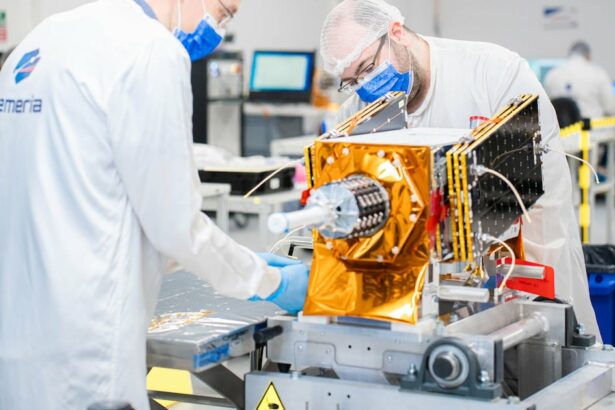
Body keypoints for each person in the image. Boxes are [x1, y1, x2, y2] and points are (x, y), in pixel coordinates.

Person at [0, 0, 308, 409]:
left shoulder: (41, 40)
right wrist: (268, 282)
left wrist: (238, 260)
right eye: (224, 12)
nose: (218, 29)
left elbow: (95, 202)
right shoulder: (151, 50)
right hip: (86, 355)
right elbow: (177, 226)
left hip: (18, 344)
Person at [320, 0, 599, 338]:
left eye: (368, 68)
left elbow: (539, 202)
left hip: (521, 261)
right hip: (423, 285)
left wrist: (533, 301)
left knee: (544, 347)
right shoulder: (356, 114)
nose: (365, 86)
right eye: (352, 81)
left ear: (396, 33)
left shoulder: (494, 73)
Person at [544, 41, 615, 119]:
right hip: (591, 126)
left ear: (570, 54)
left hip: (561, 126)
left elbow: (545, 106)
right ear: (589, 56)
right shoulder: (598, 74)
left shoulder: (552, 75)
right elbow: (610, 109)